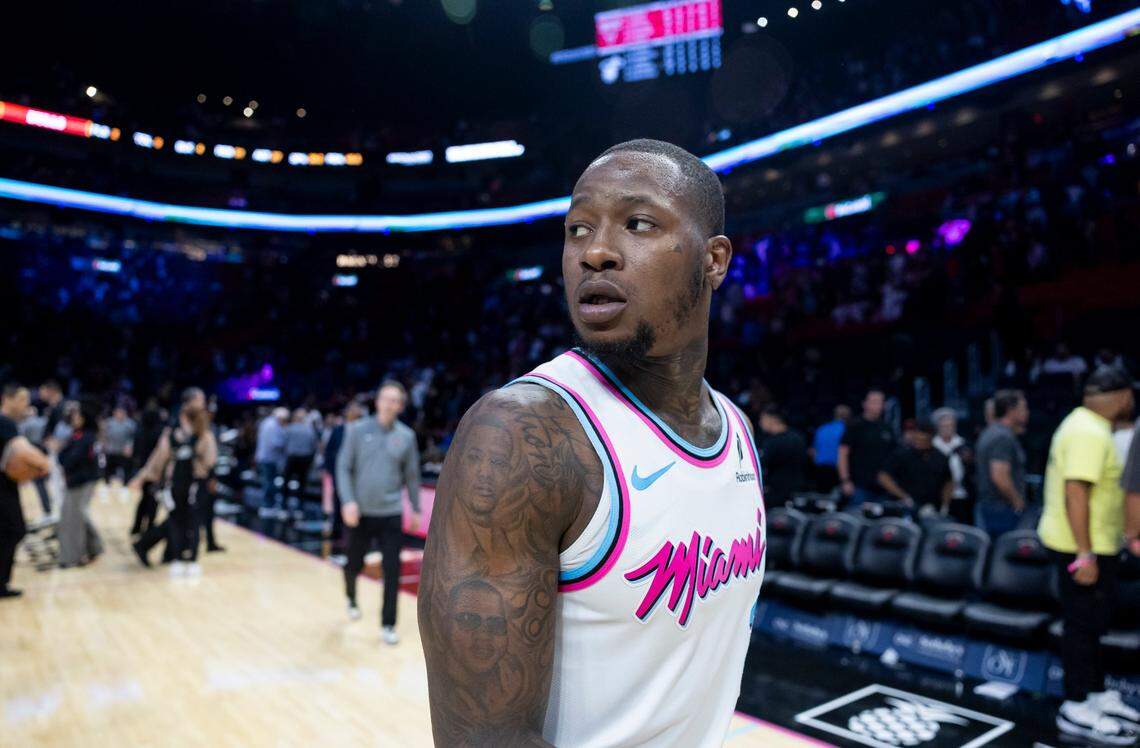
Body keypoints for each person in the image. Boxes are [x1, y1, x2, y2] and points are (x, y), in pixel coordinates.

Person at [419, 139, 766, 746]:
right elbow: (483, 740)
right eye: (577, 229)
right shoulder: (524, 436)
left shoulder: (737, 430)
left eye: (637, 224)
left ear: (714, 260)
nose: (596, 252)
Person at [1037, 367, 1140, 743]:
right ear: (1122, 395)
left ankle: (1095, 694)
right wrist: (1085, 556)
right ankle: (1076, 704)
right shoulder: (1088, 432)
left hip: (1092, 545)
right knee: (1081, 627)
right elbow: (1075, 493)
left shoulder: (1086, 424)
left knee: (1092, 625)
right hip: (1079, 547)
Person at [338, 382, 422, 643]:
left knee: (392, 568)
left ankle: (388, 624)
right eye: (385, 398)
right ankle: (351, 597)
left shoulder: (406, 437)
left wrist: (416, 507)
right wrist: (348, 501)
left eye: (395, 400)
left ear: (400, 406)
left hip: (391, 513)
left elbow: (412, 475)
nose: (389, 404)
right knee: (354, 563)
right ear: (377, 402)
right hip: (360, 513)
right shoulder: (356, 430)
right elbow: (343, 467)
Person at [129, 395, 218, 576]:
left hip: (190, 485)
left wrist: (144, 476)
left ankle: (175, 555)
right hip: (179, 485)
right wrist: (145, 476)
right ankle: (175, 556)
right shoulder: (174, 435)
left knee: (184, 521)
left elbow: (208, 461)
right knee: (178, 521)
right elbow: (159, 460)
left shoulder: (202, 436)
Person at [1, 384, 50, 598]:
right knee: (14, 529)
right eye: (22, 399)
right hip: (2, 487)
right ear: (8, 399)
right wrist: (44, 464)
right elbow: (22, 450)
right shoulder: (5, 422)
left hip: (6, 484)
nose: (26, 405)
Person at [974, 389, 1030, 536]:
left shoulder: (992, 431)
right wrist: (1017, 501)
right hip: (1001, 509)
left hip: (992, 507)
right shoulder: (1002, 437)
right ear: (1011, 411)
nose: (1027, 412)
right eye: (1023, 408)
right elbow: (999, 476)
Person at [57, 398, 104, 568]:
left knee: (72, 519)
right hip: (76, 481)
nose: (74, 417)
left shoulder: (87, 437)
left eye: (77, 415)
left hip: (82, 482)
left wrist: (65, 458)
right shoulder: (77, 435)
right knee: (78, 515)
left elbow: (70, 459)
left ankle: (72, 557)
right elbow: (62, 456)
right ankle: (95, 547)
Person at [877, 419, 953, 516]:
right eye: (916, 439)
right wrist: (904, 497)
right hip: (904, 506)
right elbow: (883, 477)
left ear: (931, 438)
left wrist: (945, 505)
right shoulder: (902, 455)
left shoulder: (941, 458)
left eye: (922, 440)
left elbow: (948, 482)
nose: (918, 442)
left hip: (931, 508)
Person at [838, 388, 896, 506]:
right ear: (865, 404)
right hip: (858, 485)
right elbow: (843, 453)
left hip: (882, 487)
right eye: (873, 401)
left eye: (880, 402)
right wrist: (845, 480)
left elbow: (893, 456)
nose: (877, 405)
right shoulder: (854, 425)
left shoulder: (887, 428)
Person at [323, 401, 364, 558]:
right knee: (338, 506)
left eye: (357, 410)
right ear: (347, 413)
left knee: (357, 510)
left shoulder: (364, 431)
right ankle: (336, 543)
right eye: (352, 410)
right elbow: (329, 451)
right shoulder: (339, 430)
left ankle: (354, 544)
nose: (355, 412)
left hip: (359, 478)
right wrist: (332, 472)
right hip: (339, 476)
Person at [758, 404, 808, 506]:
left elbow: (760, 465)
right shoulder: (798, 437)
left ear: (773, 419)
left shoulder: (772, 443)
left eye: (763, 419)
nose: (760, 423)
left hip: (776, 494)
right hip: (799, 490)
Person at [129, 404, 166, 538]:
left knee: (144, 499)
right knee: (153, 502)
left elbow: (135, 452)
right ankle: (149, 528)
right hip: (155, 471)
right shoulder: (160, 432)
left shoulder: (140, 431)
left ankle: (136, 527)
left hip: (143, 469)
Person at [932, 407, 972, 523]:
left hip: (962, 496)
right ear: (937, 427)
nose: (948, 428)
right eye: (944, 426)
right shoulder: (931, 447)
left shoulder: (964, 445)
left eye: (951, 425)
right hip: (937, 497)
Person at [255, 407, 289, 516]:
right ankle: (267, 505)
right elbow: (275, 443)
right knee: (269, 482)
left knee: (268, 481)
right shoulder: (273, 425)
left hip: (266, 457)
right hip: (269, 458)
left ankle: (268, 504)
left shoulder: (267, 423)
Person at [282, 408, 318, 505]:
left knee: (287, 481)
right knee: (302, 482)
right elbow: (313, 444)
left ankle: (284, 504)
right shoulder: (309, 429)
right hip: (305, 459)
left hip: (292, 458)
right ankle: (301, 505)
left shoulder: (289, 428)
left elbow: (283, 443)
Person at [811, 404, 850, 492]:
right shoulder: (847, 430)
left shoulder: (822, 428)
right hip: (837, 472)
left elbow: (813, 451)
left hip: (820, 470)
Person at [101, 405, 136, 495]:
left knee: (126, 469)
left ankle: (125, 486)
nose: (119, 414)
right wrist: (104, 444)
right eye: (118, 412)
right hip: (111, 450)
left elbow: (133, 437)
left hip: (124, 451)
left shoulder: (130, 424)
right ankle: (107, 485)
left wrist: (130, 446)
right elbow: (104, 434)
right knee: (108, 468)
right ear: (114, 413)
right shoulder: (109, 422)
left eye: (121, 412)